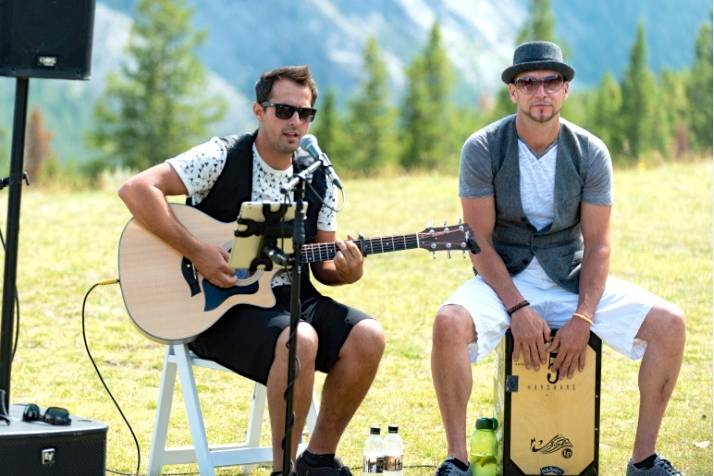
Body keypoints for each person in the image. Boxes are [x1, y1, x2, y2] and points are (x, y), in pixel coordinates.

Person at [431, 42, 685, 476]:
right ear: (513, 91)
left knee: (670, 325)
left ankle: (643, 461)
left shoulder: (590, 151)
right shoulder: (483, 148)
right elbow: (478, 242)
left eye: (551, 81)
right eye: (528, 82)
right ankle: (457, 461)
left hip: (572, 277)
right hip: (504, 279)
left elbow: (599, 243)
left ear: (565, 90)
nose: (540, 91)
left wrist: (584, 315)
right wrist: (516, 307)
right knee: (448, 322)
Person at [118, 65, 385, 476]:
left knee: (368, 336)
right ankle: (283, 470)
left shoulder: (319, 176)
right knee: (300, 338)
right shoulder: (221, 156)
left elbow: (325, 263)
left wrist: (347, 272)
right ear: (258, 111)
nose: (295, 122)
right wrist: (198, 251)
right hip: (216, 310)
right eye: (283, 110)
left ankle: (317, 461)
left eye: (305, 114)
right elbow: (136, 189)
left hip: (290, 298)